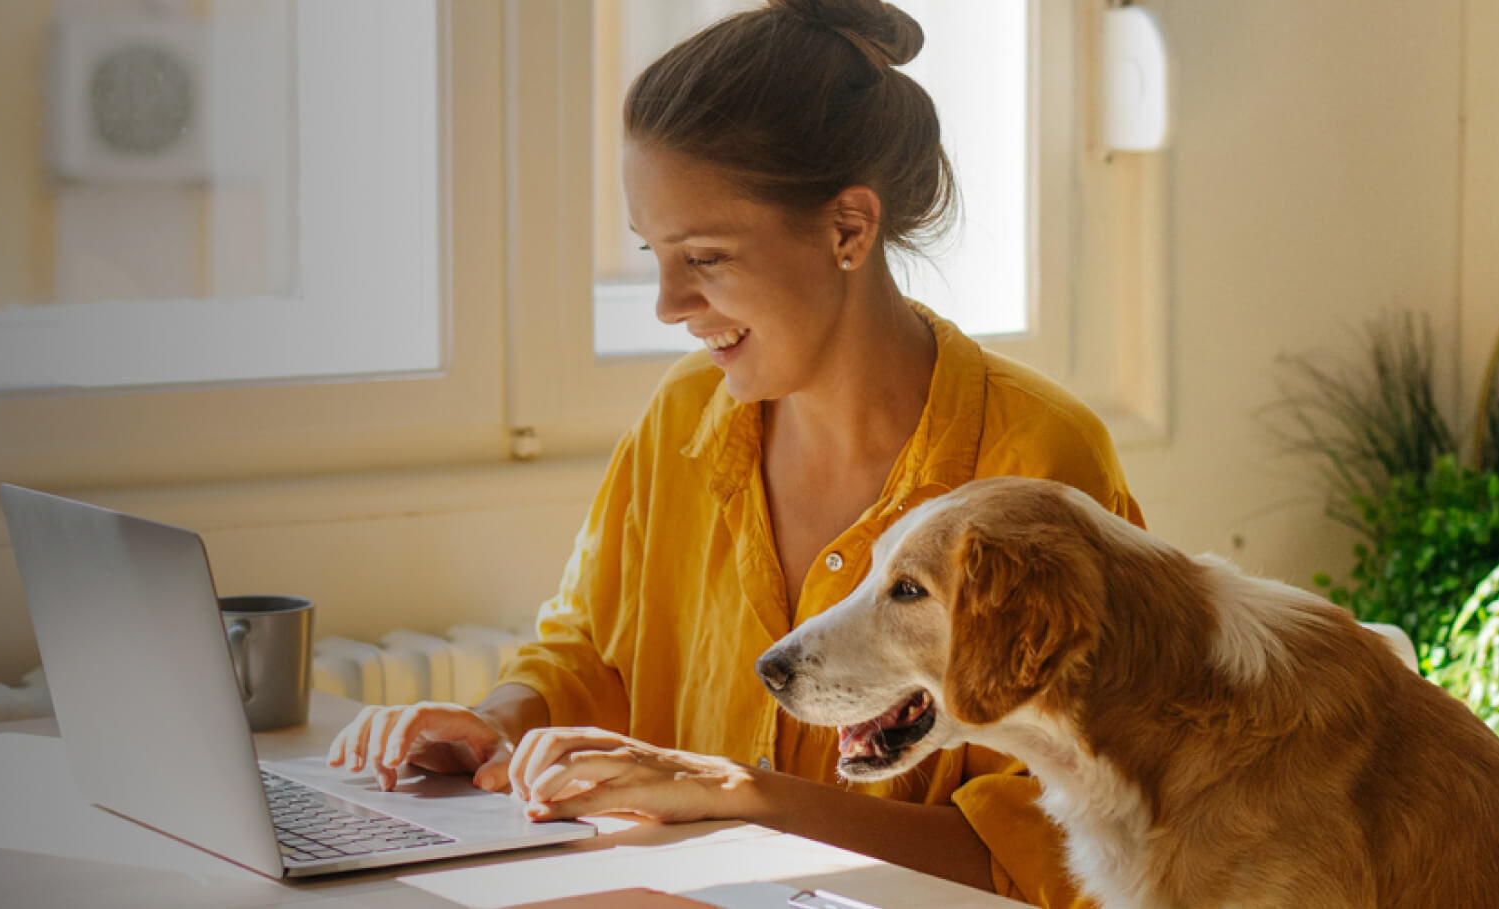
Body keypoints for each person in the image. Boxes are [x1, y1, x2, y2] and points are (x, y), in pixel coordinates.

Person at [322, 0, 1136, 904]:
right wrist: (489, 723)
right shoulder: (683, 414)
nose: (668, 302)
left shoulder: (1037, 461)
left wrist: (747, 800)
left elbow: (1060, 850)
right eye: (654, 254)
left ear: (848, 231)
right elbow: (593, 653)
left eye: (704, 257)